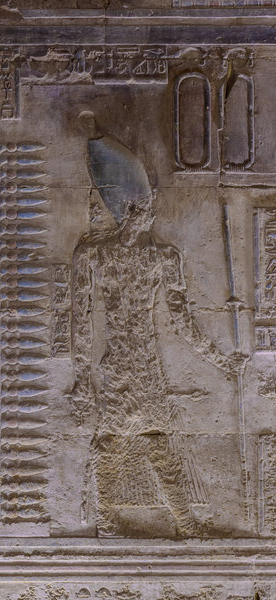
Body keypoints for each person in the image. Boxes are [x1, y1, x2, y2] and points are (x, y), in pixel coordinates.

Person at [69, 111, 247, 537]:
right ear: (130, 210)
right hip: (119, 368)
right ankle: (111, 521)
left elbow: (182, 322)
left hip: (147, 368)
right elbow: (80, 323)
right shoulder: (93, 255)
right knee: (115, 442)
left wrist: (220, 361)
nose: (152, 214)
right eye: (146, 207)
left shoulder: (164, 258)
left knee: (158, 444)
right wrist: (81, 377)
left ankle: (179, 522)